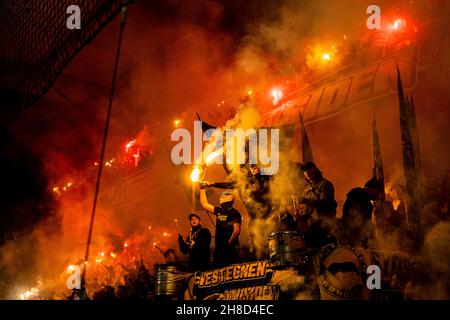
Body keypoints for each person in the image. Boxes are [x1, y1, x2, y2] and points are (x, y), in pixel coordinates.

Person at [199, 185, 242, 268]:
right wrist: (202, 188)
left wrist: (228, 243)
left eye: (222, 197)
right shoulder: (219, 211)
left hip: (230, 249)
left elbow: (236, 231)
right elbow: (204, 204)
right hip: (219, 249)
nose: (220, 198)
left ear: (229, 199)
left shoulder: (234, 213)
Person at [298, 161, 337, 248]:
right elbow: (308, 212)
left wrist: (306, 200)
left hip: (325, 226)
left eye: (309, 169)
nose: (307, 172)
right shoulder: (306, 190)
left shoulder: (325, 185)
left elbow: (326, 203)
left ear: (315, 169)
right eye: (304, 170)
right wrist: (300, 213)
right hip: (312, 227)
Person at [339, 177, 382, 247]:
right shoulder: (360, 198)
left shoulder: (357, 195)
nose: (378, 195)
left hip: (348, 236)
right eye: (377, 192)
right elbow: (363, 222)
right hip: (353, 238)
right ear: (371, 189)